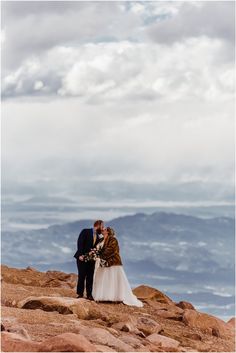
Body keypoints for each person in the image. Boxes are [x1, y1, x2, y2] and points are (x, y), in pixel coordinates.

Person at [92, 227, 143, 307]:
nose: (103, 230)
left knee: (112, 279)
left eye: (104, 229)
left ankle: (114, 296)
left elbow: (111, 250)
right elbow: (97, 248)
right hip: (103, 263)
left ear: (108, 232)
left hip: (113, 263)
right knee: (104, 278)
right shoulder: (101, 240)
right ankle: (104, 296)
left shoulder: (113, 240)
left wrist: (99, 254)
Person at [74, 220, 104, 300]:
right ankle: (80, 294)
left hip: (92, 259)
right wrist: (80, 255)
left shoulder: (99, 235)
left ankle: (89, 295)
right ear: (97, 225)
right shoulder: (85, 231)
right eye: (102, 226)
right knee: (82, 276)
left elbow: (99, 246)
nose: (103, 228)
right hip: (82, 258)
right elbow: (80, 243)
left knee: (90, 277)